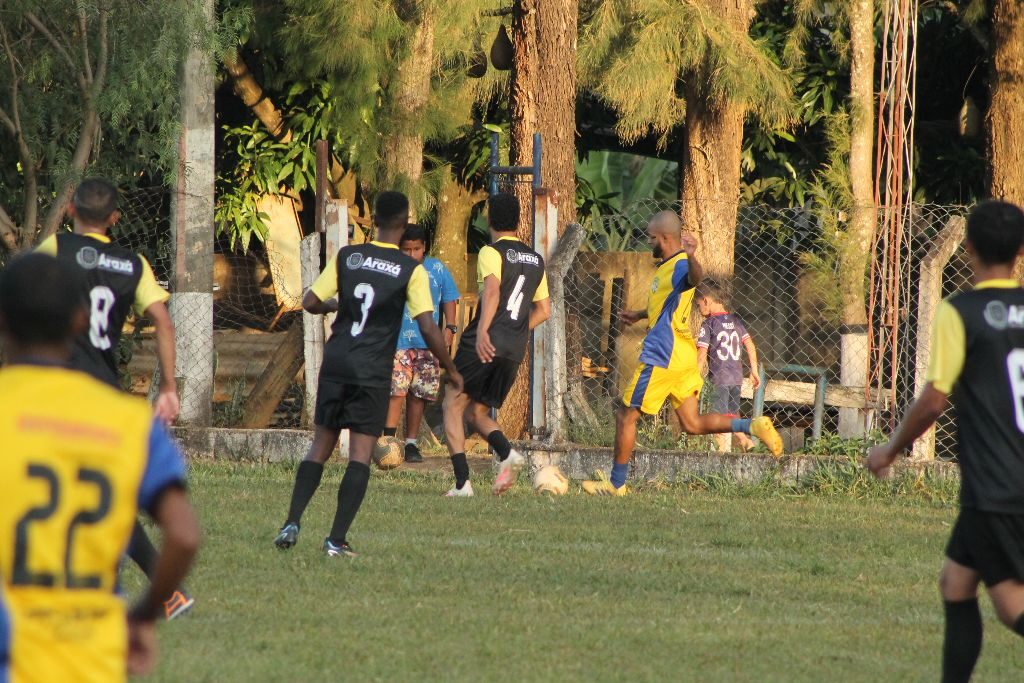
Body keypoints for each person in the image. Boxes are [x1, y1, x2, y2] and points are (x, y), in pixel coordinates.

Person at [0, 253, 200, 682]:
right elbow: (184, 535)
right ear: (79, 321)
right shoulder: (129, 422)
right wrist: (144, 615)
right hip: (94, 661)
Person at [866, 199, 1024, 683]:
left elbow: (934, 400)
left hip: (996, 485)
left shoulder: (961, 311)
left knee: (1011, 605)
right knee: (955, 584)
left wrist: (889, 449)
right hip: (1004, 481)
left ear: (969, 247)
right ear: (1020, 249)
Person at [36, 178, 193, 620]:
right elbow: (163, 322)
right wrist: (168, 388)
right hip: (104, 390)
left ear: (70, 210)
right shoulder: (132, 263)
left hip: (59, 388)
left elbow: (25, 294)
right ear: (115, 219)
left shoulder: (57, 249)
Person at [273, 191, 462, 557]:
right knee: (360, 454)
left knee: (321, 445)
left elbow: (310, 301)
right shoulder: (411, 270)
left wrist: (335, 305)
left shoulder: (349, 256)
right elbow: (427, 324)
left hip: (337, 361)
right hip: (371, 369)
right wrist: (450, 367)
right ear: (405, 224)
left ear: (373, 219)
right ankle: (335, 540)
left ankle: (292, 520)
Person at [583, 211, 783, 496]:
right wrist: (639, 314)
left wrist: (691, 255)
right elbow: (667, 304)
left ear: (663, 238)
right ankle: (752, 425)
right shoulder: (665, 268)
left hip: (662, 355)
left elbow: (694, 278)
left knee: (625, 416)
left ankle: (616, 484)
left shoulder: (679, 265)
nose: (647, 242)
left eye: (650, 238)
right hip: (683, 356)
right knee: (692, 423)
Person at [442, 192, 550, 497]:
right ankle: (508, 454)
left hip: (484, 341)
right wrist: (513, 332)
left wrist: (486, 331)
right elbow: (544, 310)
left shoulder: (492, 252)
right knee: (476, 412)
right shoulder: (536, 260)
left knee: (452, 399)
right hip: (513, 349)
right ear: (518, 221)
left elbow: (491, 292)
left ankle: (462, 483)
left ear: (489, 219)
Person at [381, 224, 461, 463]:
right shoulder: (393, 269)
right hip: (398, 343)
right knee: (396, 391)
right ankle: (388, 442)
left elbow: (449, 297)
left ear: (424, 247)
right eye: (406, 250)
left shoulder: (436, 268)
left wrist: (450, 327)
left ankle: (411, 444)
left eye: (416, 249)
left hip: (428, 345)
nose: (411, 254)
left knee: (418, 395)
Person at [696, 280, 761, 452]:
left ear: (706, 300)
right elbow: (750, 346)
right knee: (731, 413)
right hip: (736, 378)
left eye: (698, 305)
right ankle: (744, 440)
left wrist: (694, 378)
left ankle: (722, 455)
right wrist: (754, 370)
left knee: (718, 419)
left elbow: (702, 354)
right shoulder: (736, 321)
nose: (699, 309)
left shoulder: (708, 324)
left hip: (719, 378)